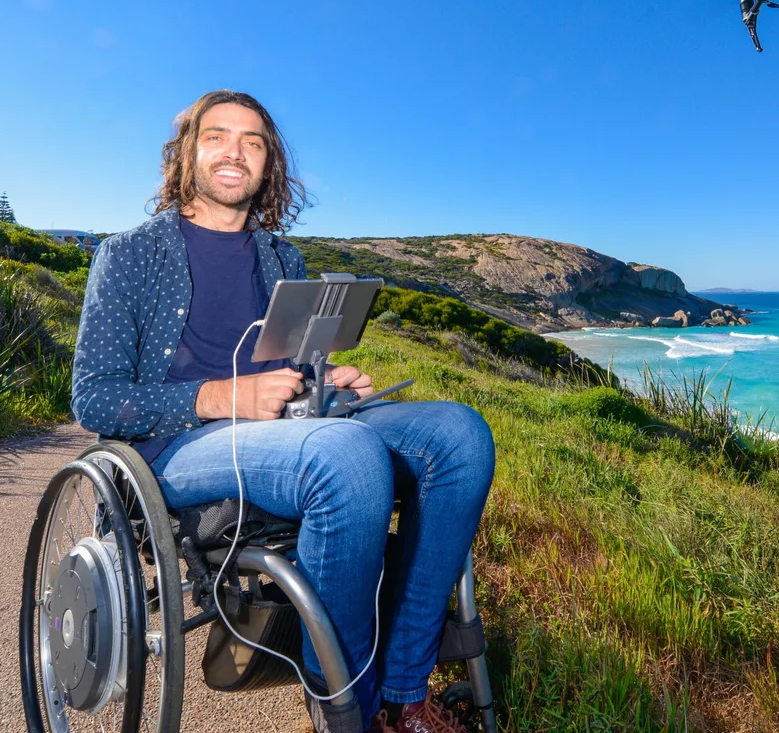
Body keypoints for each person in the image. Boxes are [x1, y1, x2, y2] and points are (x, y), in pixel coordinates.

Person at [71, 90, 495, 733]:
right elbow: (94, 396)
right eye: (216, 136)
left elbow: (291, 370)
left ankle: (406, 696)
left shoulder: (282, 259)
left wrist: (328, 384)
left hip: (291, 430)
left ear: (269, 164)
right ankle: (347, 707)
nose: (234, 151)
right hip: (178, 446)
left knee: (459, 435)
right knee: (344, 457)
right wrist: (219, 397)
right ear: (186, 153)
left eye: (253, 141)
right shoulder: (128, 255)